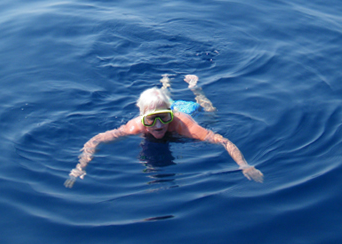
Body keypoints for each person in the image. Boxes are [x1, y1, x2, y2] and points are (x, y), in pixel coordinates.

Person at [65, 74, 263, 187]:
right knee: (164, 98)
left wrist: (244, 165)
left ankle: (195, 88)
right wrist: (81, 166)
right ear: (142, 118)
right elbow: (95, 140)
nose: (159, 125)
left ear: (170, 115)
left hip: (186, 110)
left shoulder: (183, 125)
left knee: (211, 111)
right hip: (167, 107)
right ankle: (165, 84)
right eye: (151, 120)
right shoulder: (134, 126)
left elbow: (224, 141)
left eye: (164, 118)